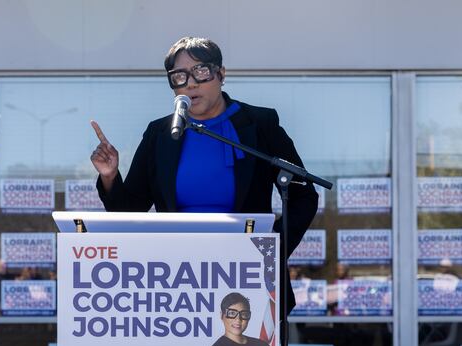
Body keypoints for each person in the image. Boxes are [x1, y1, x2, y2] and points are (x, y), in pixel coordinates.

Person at [90, 36, 318, 310]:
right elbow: (130, 210)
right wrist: (110, 175)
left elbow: (302, 194)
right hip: (178, 280)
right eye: (179, 76)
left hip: (248, 276)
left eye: (200, 71)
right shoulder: (160, 134)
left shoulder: (259, 124)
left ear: (221, 74)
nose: (190, 83)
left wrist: (271, 250)